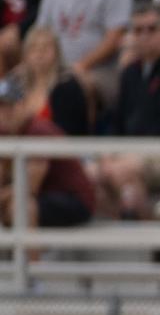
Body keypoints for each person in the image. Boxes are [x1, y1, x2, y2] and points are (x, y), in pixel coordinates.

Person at [97, 3, 160, 218]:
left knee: (119, 171)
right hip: (134, 150)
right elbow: (118, 121)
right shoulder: (130, 71)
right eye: (138, 30)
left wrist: (127, 153)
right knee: (94, 173)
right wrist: (110, 152)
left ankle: (148, 237)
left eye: (152, 29)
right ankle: (131, 238)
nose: (144, 36)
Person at [36, 0, 133, 107]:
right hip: (54, 68)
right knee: (10, 87)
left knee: (73, 88)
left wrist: (79, 67)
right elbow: (41, 34)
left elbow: (114, 38)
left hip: (102, 70)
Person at [0, 78, 96, 230]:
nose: (4, 113)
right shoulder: (6, 132)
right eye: (1, 107)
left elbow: (30, 187)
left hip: (73, 199)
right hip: (46, 195)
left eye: (9, 107)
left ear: (22, 105)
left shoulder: (37, 130)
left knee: (22, 207)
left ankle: (26, 254)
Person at [3, 26, 90, 137]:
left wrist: (28, 122)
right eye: (33, 48)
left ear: (57, 53)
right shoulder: (14, 82)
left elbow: (70, 132)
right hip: (16, 149)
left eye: (46, 48)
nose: (39, 54)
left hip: (56, 150)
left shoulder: (68, 86)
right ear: (25, 54)